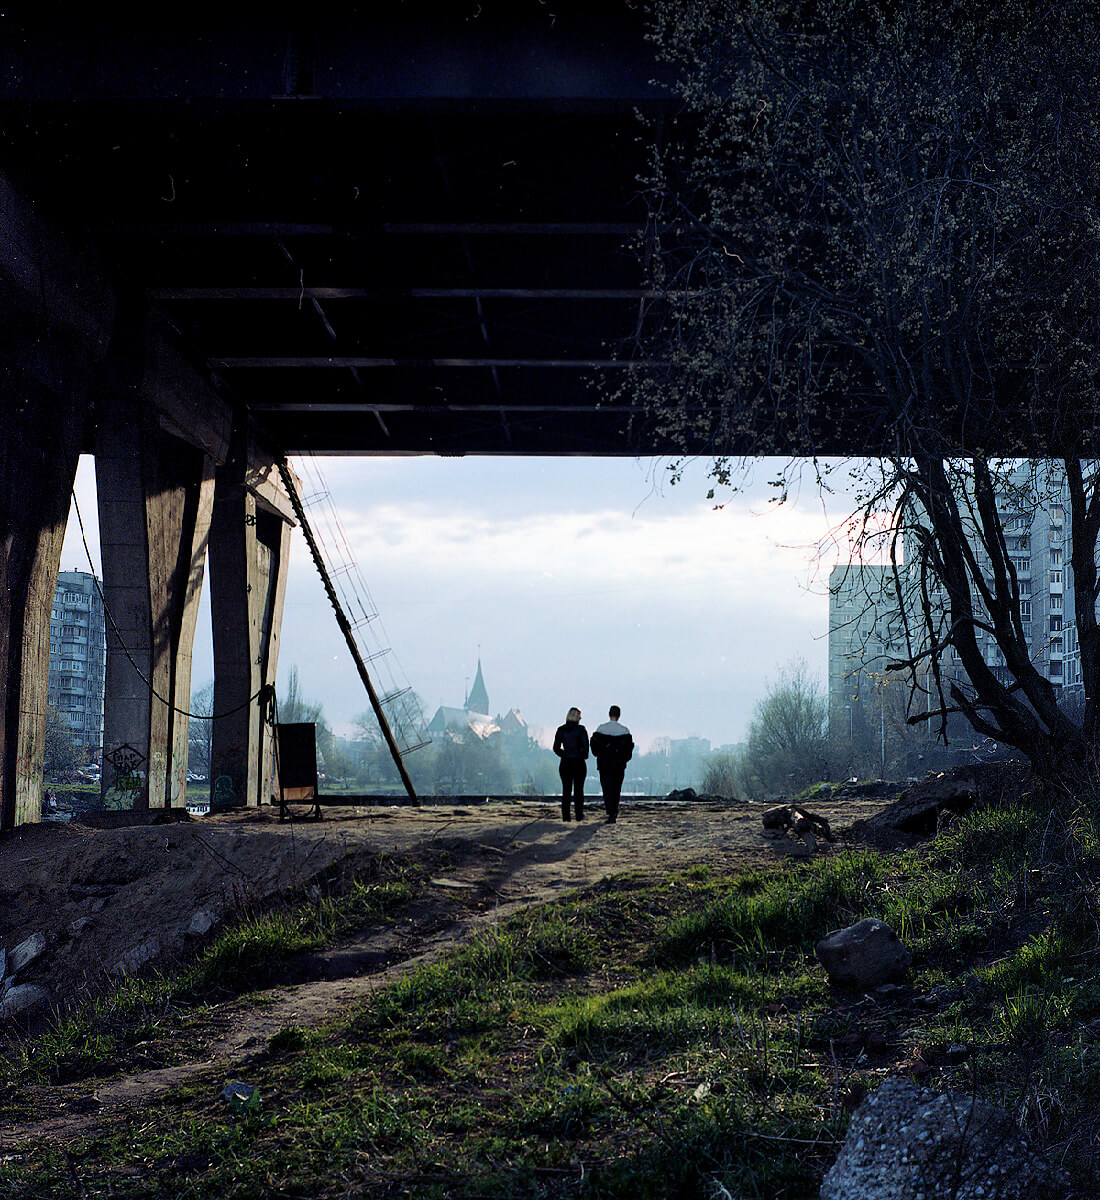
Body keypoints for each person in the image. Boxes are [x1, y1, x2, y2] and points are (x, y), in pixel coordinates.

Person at [590, 705, 634, 824]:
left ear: (609, 714)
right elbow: (628, 750)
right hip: (618, 765)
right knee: (616, 788)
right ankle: (614, 811)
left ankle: (610, 811)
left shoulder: (601, 729)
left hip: (604, 764)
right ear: (619, 716)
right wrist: (622, 758)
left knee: (607, 788)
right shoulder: (624, 731)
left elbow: (594, 747)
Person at [553, 706, 589, 821]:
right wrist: (581, 755)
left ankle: (566, 816)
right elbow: (585, 748)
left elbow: (556, 748)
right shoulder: (581, 730)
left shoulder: (561, 730)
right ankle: (579, 815)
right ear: (577, 717)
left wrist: (564, 754)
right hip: (578, 763)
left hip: (565, 763)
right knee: (579, 790)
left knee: (566, 790)